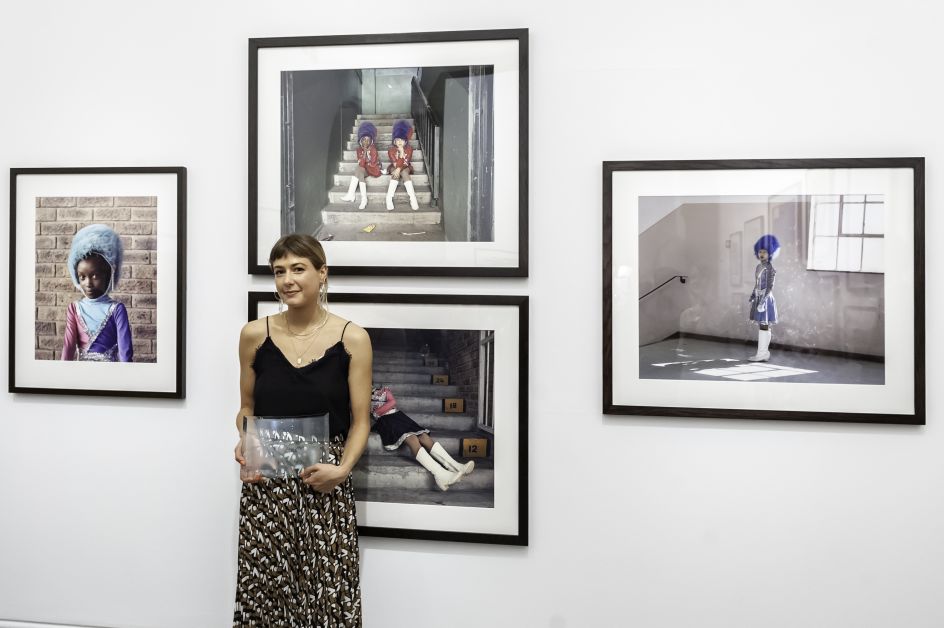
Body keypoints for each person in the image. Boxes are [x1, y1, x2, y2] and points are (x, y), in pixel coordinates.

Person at [233, 234, 371, 626]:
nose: (287, 280)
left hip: (324, 484)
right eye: (279, 272)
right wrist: (245, 438)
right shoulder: (253, 335)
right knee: (267, 594)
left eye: (298, 269)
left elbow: (362, 420)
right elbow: (246, 407)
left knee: (327, 598)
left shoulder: (352, 338)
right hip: (267, 486)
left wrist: (342, 471)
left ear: (322, 274)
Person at [370, 385, 474, 491]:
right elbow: (380, 410)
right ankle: (440, 475)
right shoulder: (363, 398)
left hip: (398, 416)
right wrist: (382, 408)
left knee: (423, 436)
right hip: (385, 422)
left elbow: (392, 402)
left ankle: (456, 466)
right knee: (412, 438)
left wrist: (380, 409)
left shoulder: (384, 390)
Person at [61, 224, 133, 362]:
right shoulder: (74, 308)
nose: (88, 283)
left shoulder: (117, 309)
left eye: (95, 276)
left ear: (108, 275)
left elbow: (125, 351)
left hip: (109, 375)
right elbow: (68, 347)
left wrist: (125, 378)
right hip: (81, 376)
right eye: (82, 277)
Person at [747, 234, 780, 361]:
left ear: (770, 253)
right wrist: (752, 295)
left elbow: (770, 286)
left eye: (764, 252)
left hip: (766, 299)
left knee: (764, 325)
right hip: (759, 297)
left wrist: (763, 301)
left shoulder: (770, 268)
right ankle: (764, 353)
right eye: (760, 251)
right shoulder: (758, 266)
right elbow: (757, 284)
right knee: (763, 325)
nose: (761, 254)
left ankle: (761, 354)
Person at [340, 121, 381, 210]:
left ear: (371, 141)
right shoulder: (359, 150)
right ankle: (364, 198)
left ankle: (351, 194)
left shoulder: (373, 149)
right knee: (359, 169)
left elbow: (373, 164)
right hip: (364, 169)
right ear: (360, 140)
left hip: (373, 169)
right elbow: (362, 163)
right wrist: (365, 152)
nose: (366, 141)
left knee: (359, 169)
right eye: (364, 139)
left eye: (368, 139)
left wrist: (367, 152)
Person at [384, 119, 419, 211]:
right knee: (396, 172)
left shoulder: (409, 149)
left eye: (402, 140)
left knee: (404, 172)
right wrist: (400, 153)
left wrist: (403, 151)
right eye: (397, 140)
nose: (400, 142)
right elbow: (396, 164)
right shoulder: (391, 150)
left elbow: (406, 162)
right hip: (394, 167)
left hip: (406, 167)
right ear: (394, 141)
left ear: (405, 141)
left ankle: (413, 198)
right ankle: (389, 198)